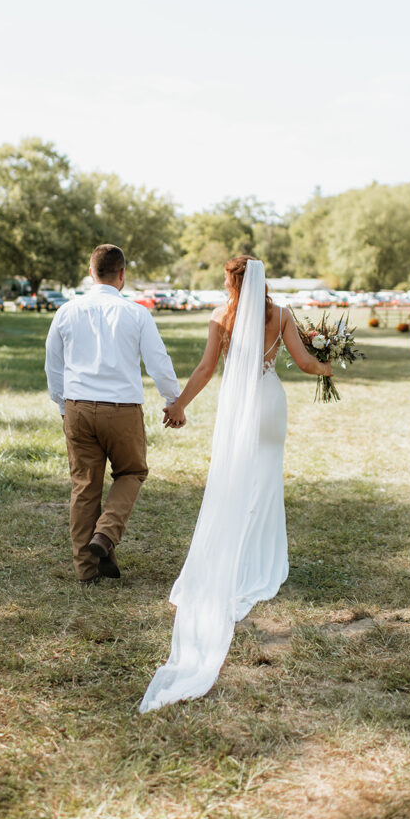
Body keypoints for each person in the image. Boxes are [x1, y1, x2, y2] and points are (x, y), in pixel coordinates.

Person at [140, 255, 332, 712]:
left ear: (231, 281)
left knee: (234, 482)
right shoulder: (280, 315)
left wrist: (179, 405)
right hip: (269, 404)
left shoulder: (221, 317)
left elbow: (207, 370)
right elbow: (305, 362)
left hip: (237, 409)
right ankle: (260, 560)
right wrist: (330, 367)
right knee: (265, 484)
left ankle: (238, 558)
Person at [45, 244, 183, 586]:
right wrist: (173, 401)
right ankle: (105, 536)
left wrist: (64, 406)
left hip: (78, 408)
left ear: (92, 273)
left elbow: (53, 365)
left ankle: (86, 570)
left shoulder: (66, 312)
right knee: (132, 472)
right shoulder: (136, 314)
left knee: (84, 486)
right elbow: (158, 363)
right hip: (121, 410)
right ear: (122, 275)